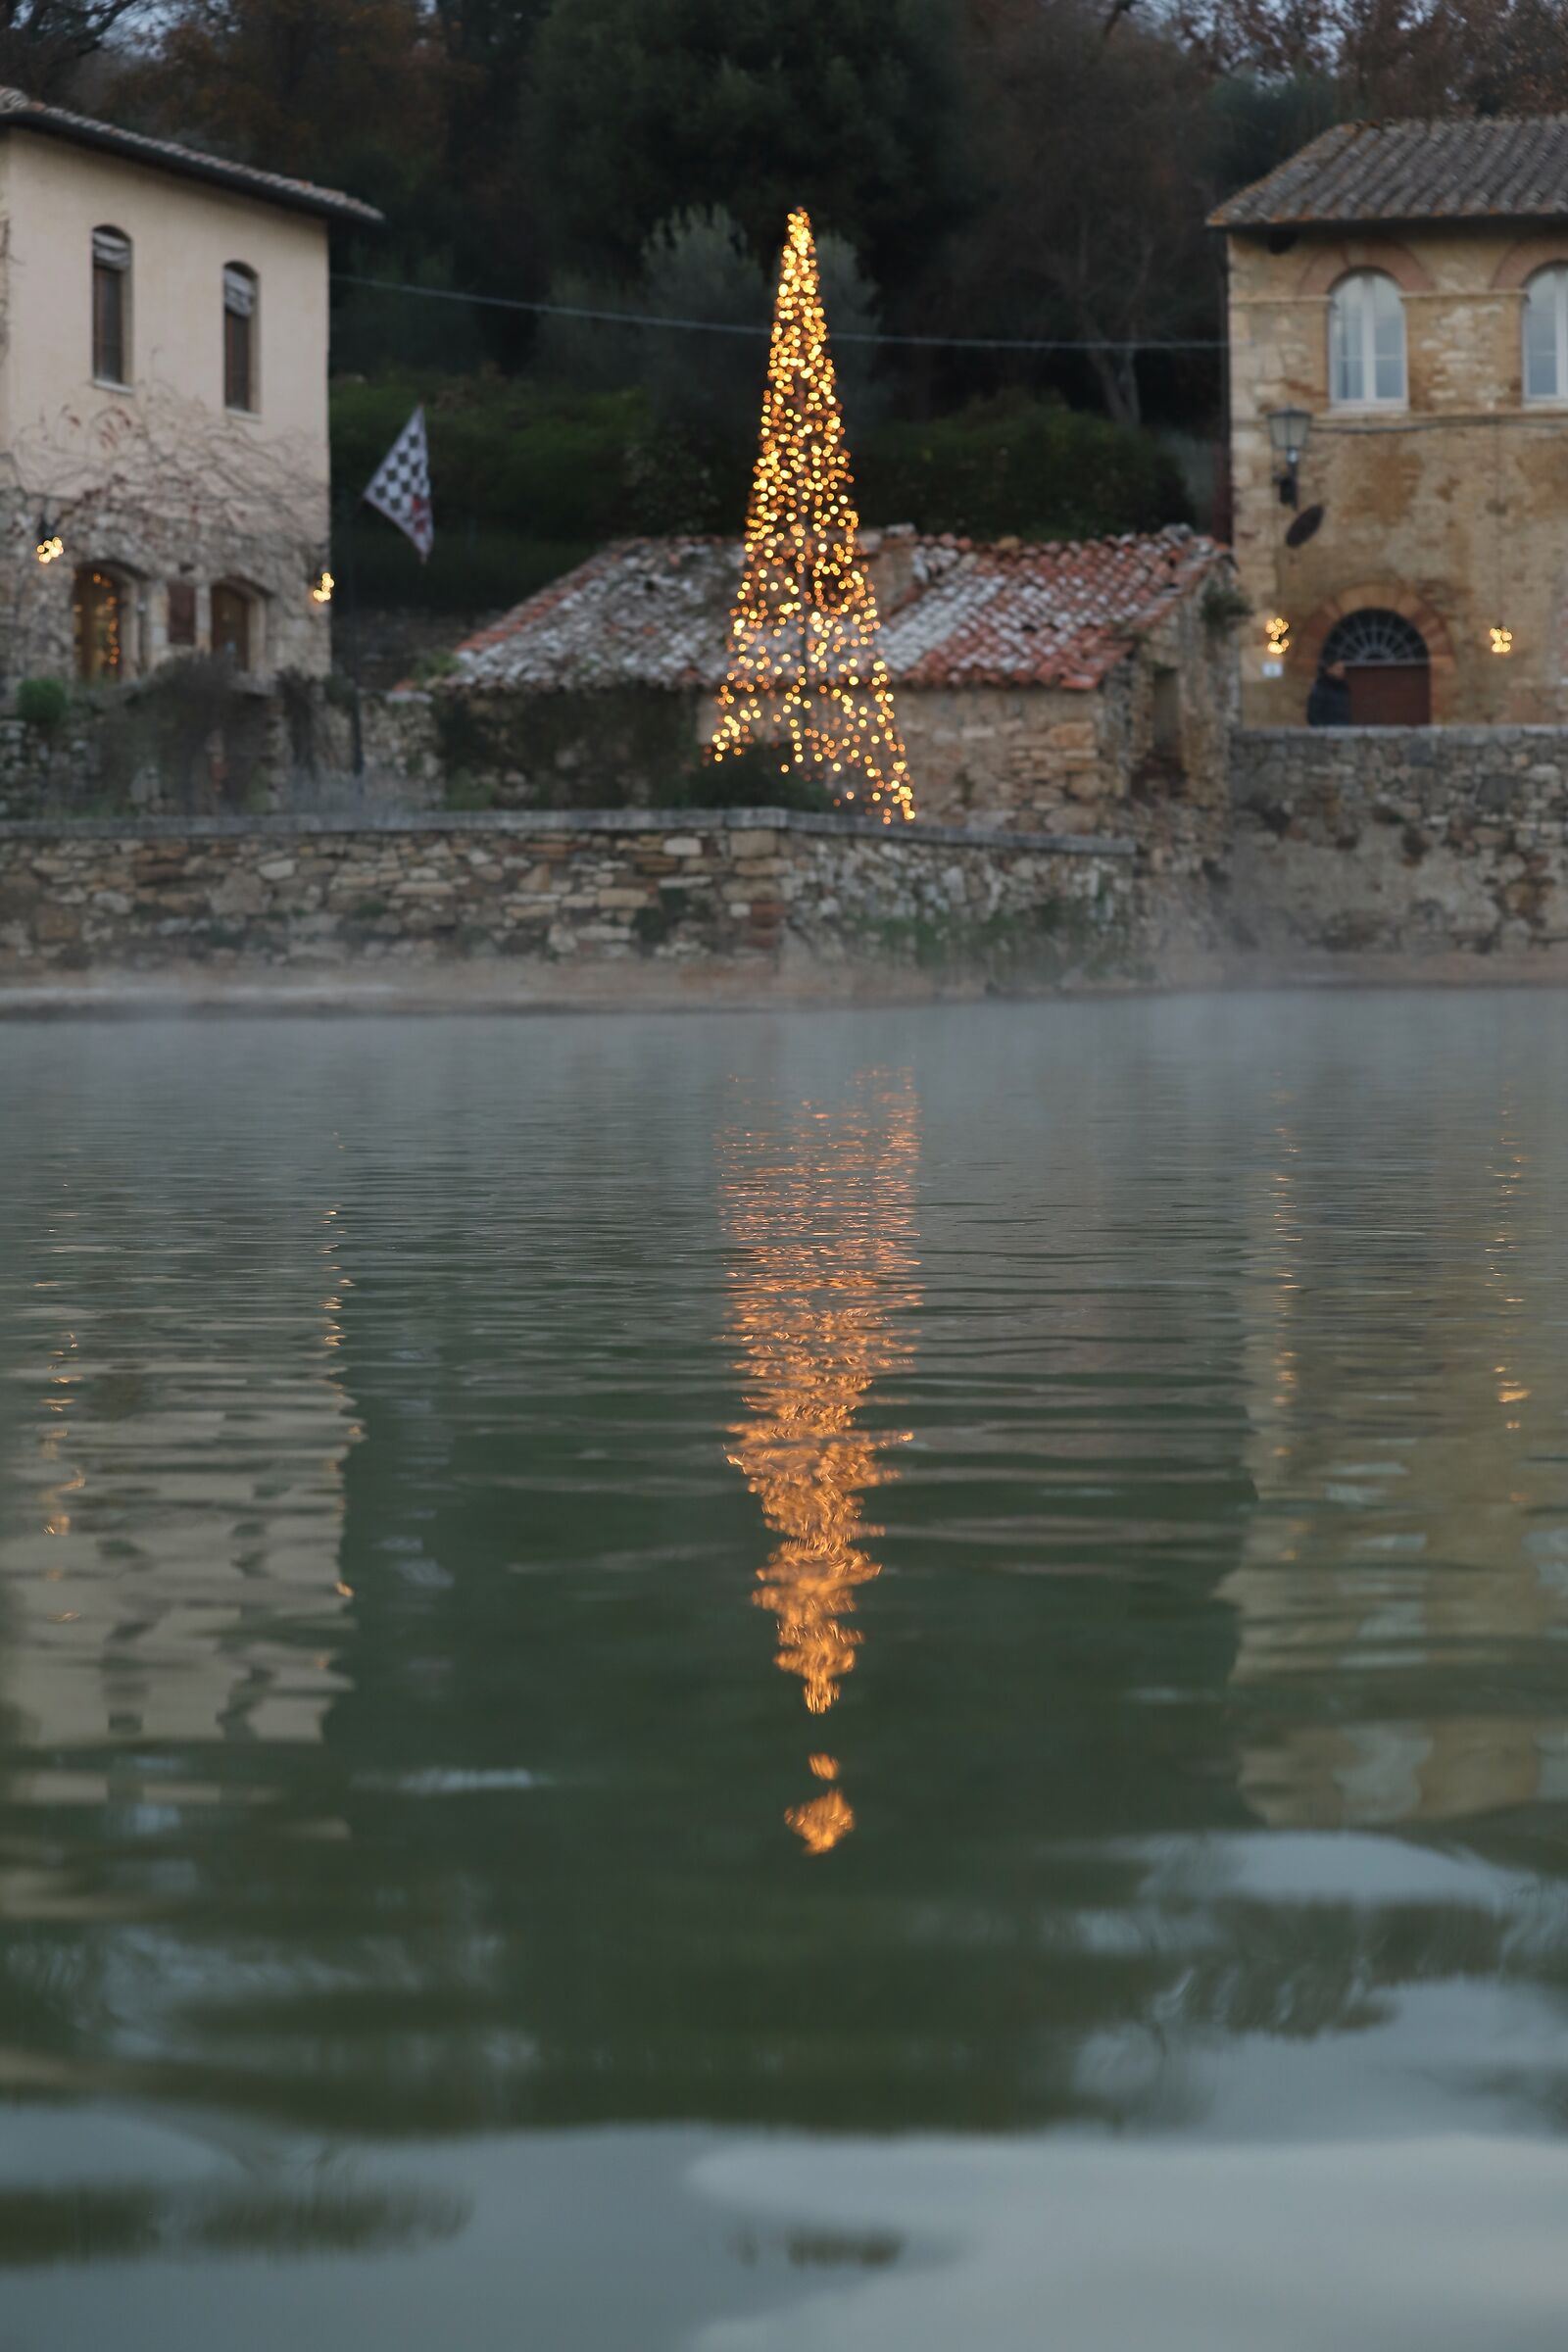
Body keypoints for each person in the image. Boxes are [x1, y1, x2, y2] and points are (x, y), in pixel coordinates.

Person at [1306, 659, 1351, 727]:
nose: (1342, 672)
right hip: (1326, 729)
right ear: (1329, 669)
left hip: (1343, 727)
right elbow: (1313, 712)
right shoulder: (1321, 688)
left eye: (1342, 669)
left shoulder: (1343, 688)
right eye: (1338, 669)